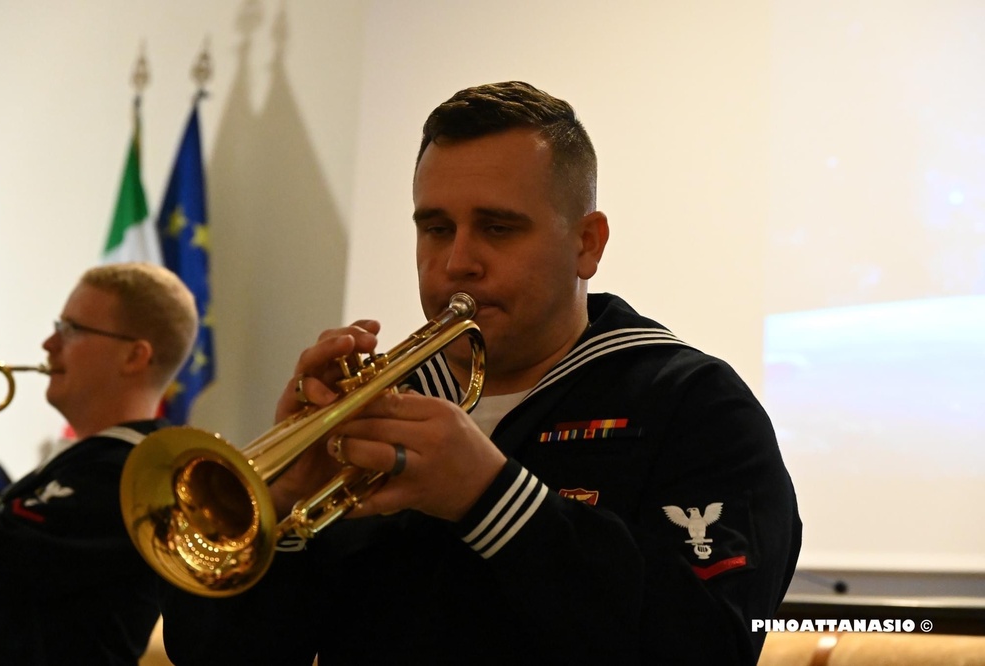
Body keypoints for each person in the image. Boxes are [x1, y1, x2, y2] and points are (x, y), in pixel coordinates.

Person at [160, 81, 801, 665]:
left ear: (587, 244)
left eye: (497, 228)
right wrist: (280, 508)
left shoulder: (694, 406)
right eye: (436, 228)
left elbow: (712, 642)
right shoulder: (378, 408)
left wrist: (492, 498)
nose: (457, 261)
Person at [0, 262, 198, 665]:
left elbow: (2, 560)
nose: (49, 343)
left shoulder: (139, 472)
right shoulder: (85, 459)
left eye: (71, 328)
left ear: (135, 356)